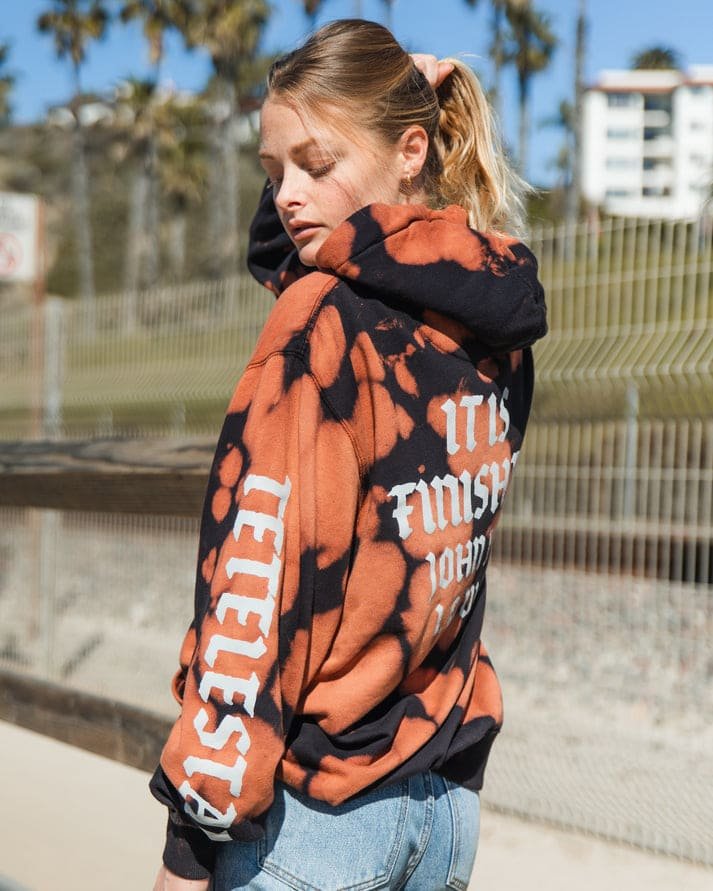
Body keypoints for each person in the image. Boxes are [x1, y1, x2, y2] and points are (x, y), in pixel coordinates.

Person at [150, 18, 546, 891]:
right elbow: (289, 250)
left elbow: (254, 592)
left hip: (316, 826)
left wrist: (192, 841)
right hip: (443, 813)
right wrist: (376, 118)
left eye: (316, 165)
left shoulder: (319, 323)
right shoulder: (494, 323)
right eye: (273, 172)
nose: (289, 196)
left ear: (412, 151)